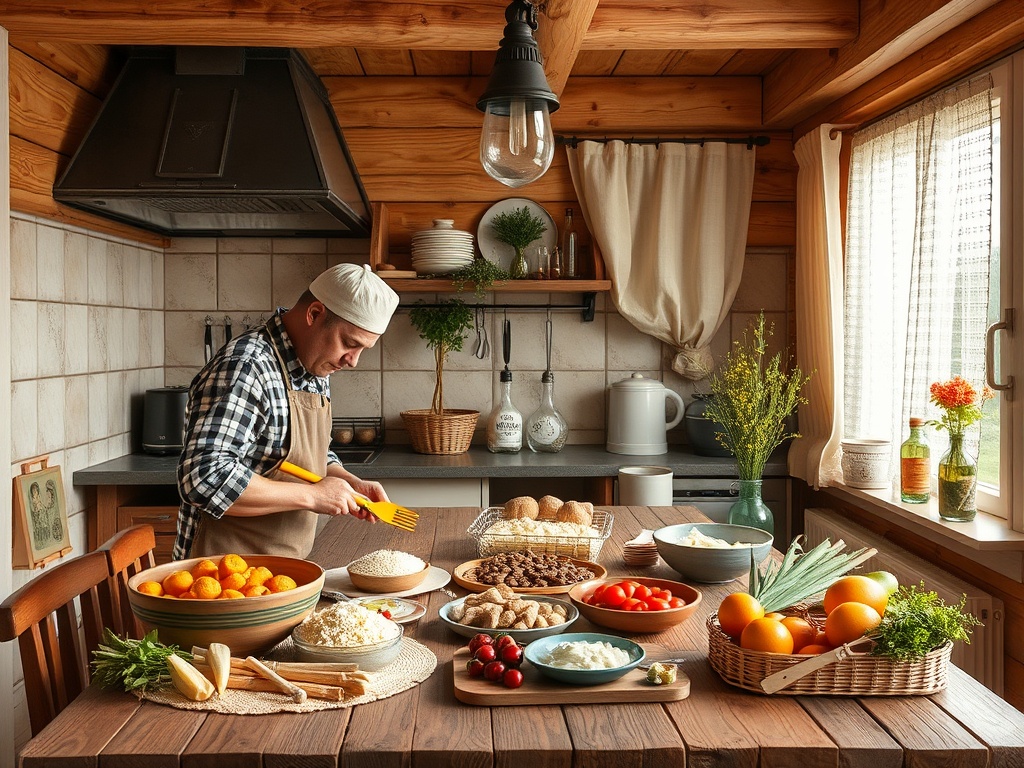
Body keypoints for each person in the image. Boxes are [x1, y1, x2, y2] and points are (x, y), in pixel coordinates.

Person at [174, 263, 400, 560]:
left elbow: (305, 455)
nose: (353, 361)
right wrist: (313, 496)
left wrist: (347, 482)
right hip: (222, 573)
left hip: (281, 570)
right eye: (349, 343)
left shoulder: (313, 365)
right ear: (315, 314)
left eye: (362, 350)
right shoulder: (248, 366)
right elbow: (203, 478)